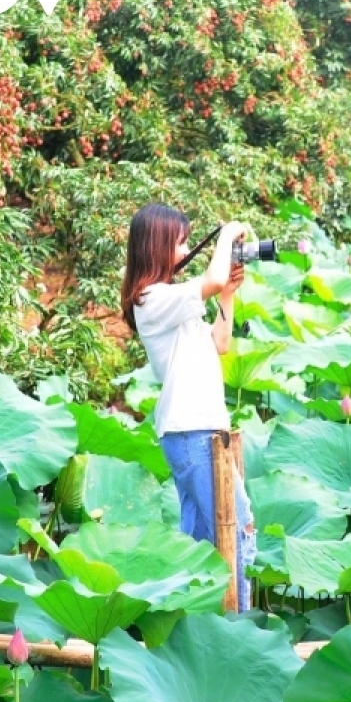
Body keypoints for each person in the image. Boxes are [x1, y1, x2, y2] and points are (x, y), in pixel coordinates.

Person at [119, 203, 256, 609]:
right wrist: (229, 230)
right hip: (192, 432)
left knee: (201, 543)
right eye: (179, 241)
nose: (183, 249)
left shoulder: (172, 300)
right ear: (158, 245)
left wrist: (227, 297)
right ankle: (239, 627)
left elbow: (220, 344)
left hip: (201, 431)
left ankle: (197, 629)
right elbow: (211, 276)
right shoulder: (152, 299)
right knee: (237, 532)